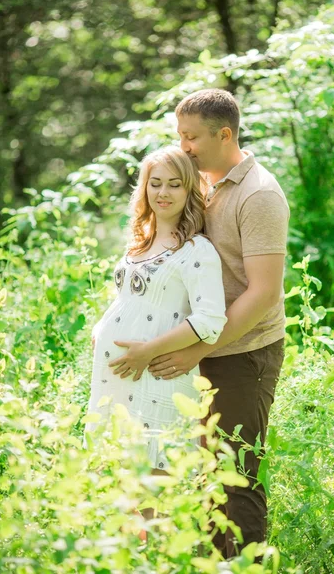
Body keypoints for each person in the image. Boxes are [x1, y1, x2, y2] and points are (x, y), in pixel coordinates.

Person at [148, 89, 290, 557]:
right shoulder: (204, 183)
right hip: (203, 345)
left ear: (223, 134)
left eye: (189, 137)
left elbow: (263, 292)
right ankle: (215, 565)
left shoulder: (260, 194)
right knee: (208, 473)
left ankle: (246, 566)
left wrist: (199, 348)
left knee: (238, 475)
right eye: (178, 135)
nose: (182, 146)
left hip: (243, 352)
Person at [84, 145, 227, 477]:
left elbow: (210, 320)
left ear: (190, 189)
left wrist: (147, 351)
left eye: (175, 184)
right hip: (117, 378)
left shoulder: (196, 249)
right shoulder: (139, 243)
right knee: (121, 483)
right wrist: (101, 328)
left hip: (157, 375)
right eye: (156, 182)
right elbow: (130, 300)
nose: (163, 192)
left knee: (153, 485)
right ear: (144, 188)